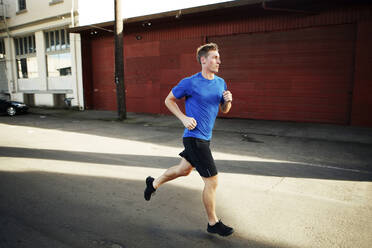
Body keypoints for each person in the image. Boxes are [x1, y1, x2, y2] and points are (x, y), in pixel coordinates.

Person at [144, 43, 234, 237]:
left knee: (183, 170)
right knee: (212, 182)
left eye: (219, 57)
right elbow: (168, 100)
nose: (219, 61)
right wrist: (183, 118)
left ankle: (153, 184)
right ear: (203, 60)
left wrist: (228, 101)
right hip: (194, 139)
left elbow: (224, 110)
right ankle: (213, 222)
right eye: (215, 57)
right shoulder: (190, 82)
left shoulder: (220, 83)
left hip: (205, 138)